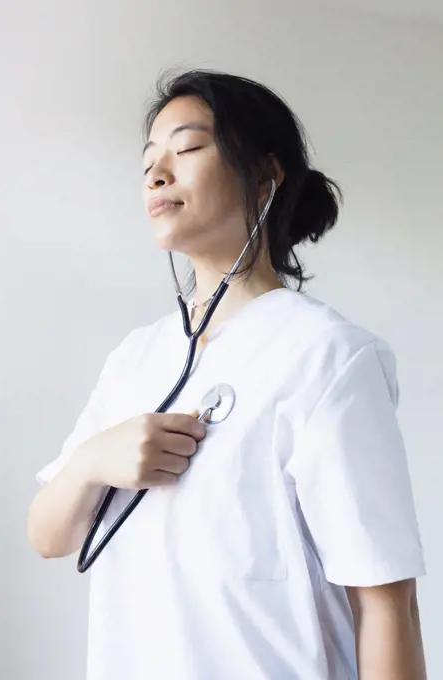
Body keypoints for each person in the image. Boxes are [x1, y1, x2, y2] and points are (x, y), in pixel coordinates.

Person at [28, 69, 427, 680]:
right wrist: (92, 460)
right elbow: (50, 536)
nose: (158, 174)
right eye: (148, 164)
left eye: (187, 149)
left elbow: (386, 603)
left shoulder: (328, 355)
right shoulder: (136, 358)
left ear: (266, 176)